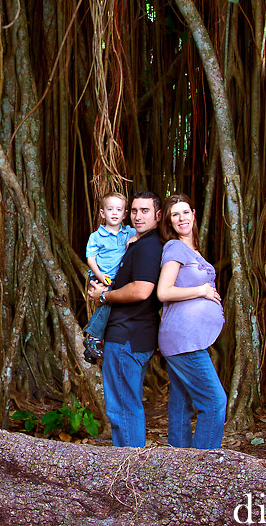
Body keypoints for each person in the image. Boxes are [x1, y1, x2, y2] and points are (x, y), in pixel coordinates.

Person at [87, 191, 163, 447]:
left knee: (123, 409)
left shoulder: (149, 247)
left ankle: (128, 475)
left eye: (145, 211)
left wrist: (105, 296)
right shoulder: (137, 242)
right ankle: (130, 470)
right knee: (125, 405)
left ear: (158, 215)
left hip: (127, 339)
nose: (138, 216)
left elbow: (142, 290)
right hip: (132, 337)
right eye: (134, 211)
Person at [156, 193, 226, 449]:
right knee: (215, 402)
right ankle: (203, 467)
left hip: (188, 339)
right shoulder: (175, 247)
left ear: (194, 214)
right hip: (183, 341)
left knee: (181, 402)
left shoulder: (191, 249)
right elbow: (164, 291)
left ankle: (179, 465)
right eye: (175, 214)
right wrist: (202, 291)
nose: (181, 218)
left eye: (185, 212)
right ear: (169, 221)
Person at [81, 193, 137, 363]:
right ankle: (92, 337)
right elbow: (90, 259)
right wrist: (100, 276)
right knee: (109, 302)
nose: (114, 213)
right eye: (110, 209)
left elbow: (146, 234)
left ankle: (91, 351)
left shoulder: (129, 232)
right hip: (101, 276)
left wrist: (135, 237)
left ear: (125, 214)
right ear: (102, 213)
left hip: (118, 279)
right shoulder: (96, 236)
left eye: (118, 210)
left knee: (115, 306)